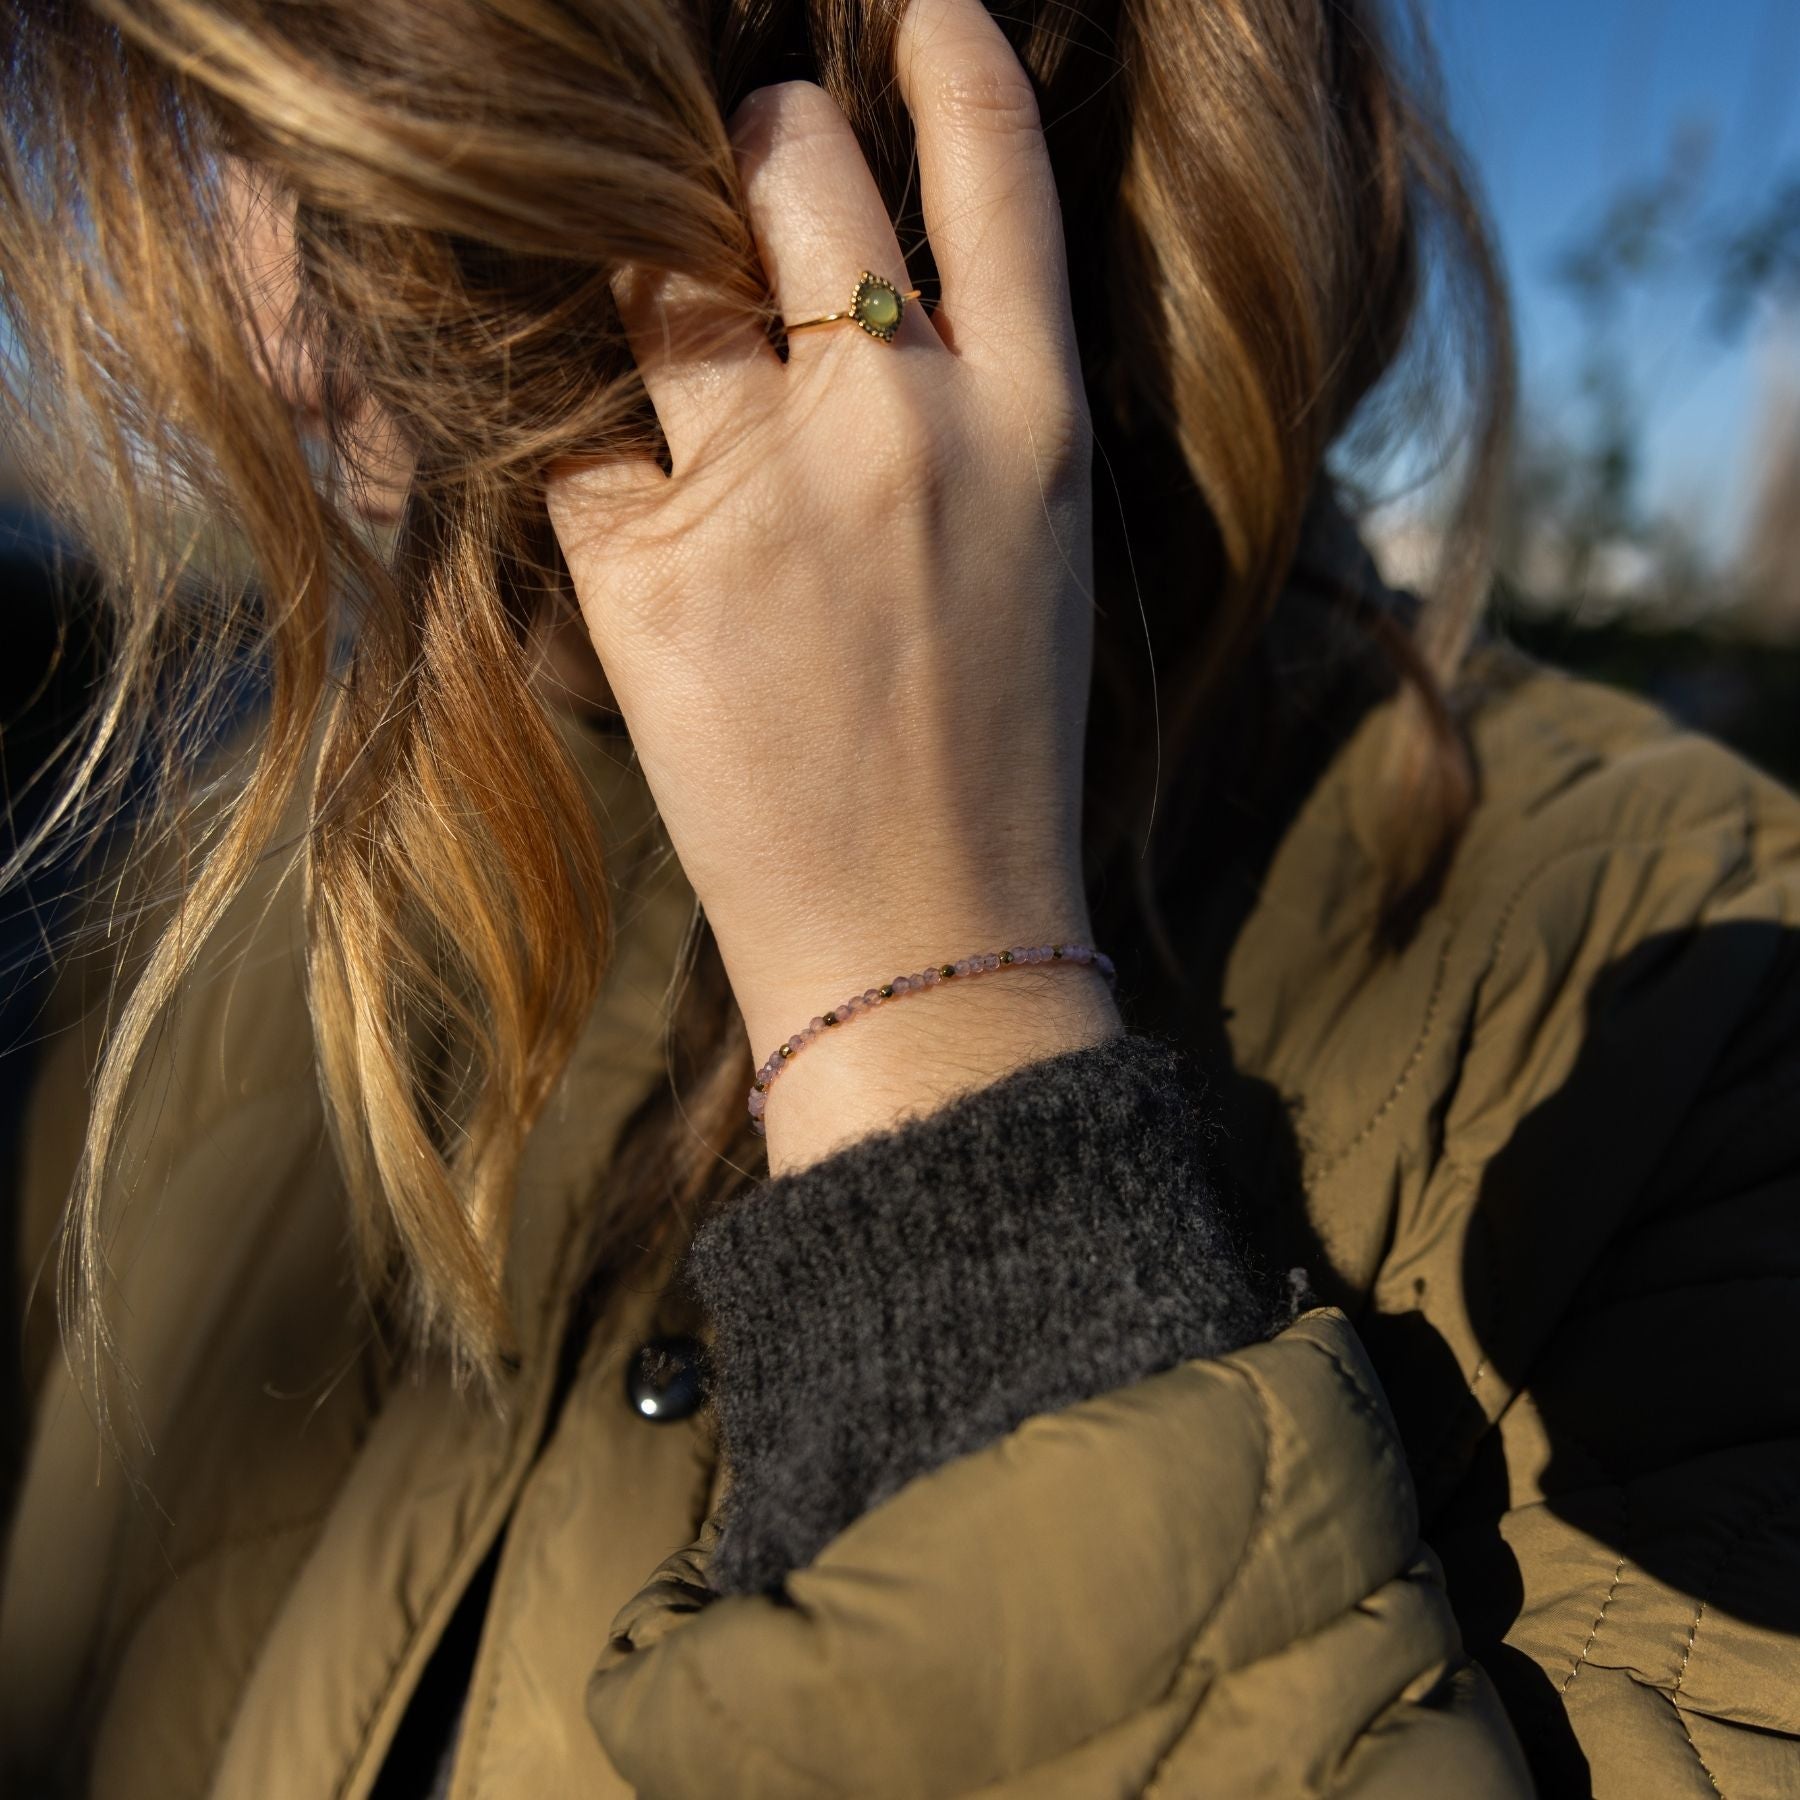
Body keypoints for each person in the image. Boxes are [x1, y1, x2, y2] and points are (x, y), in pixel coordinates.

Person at [1, 0, 1796, 1793]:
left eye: (367, 166)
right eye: (229, 141)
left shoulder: (1713, 1017)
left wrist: (939, 1026)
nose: (275, 347)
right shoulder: (266, 849)